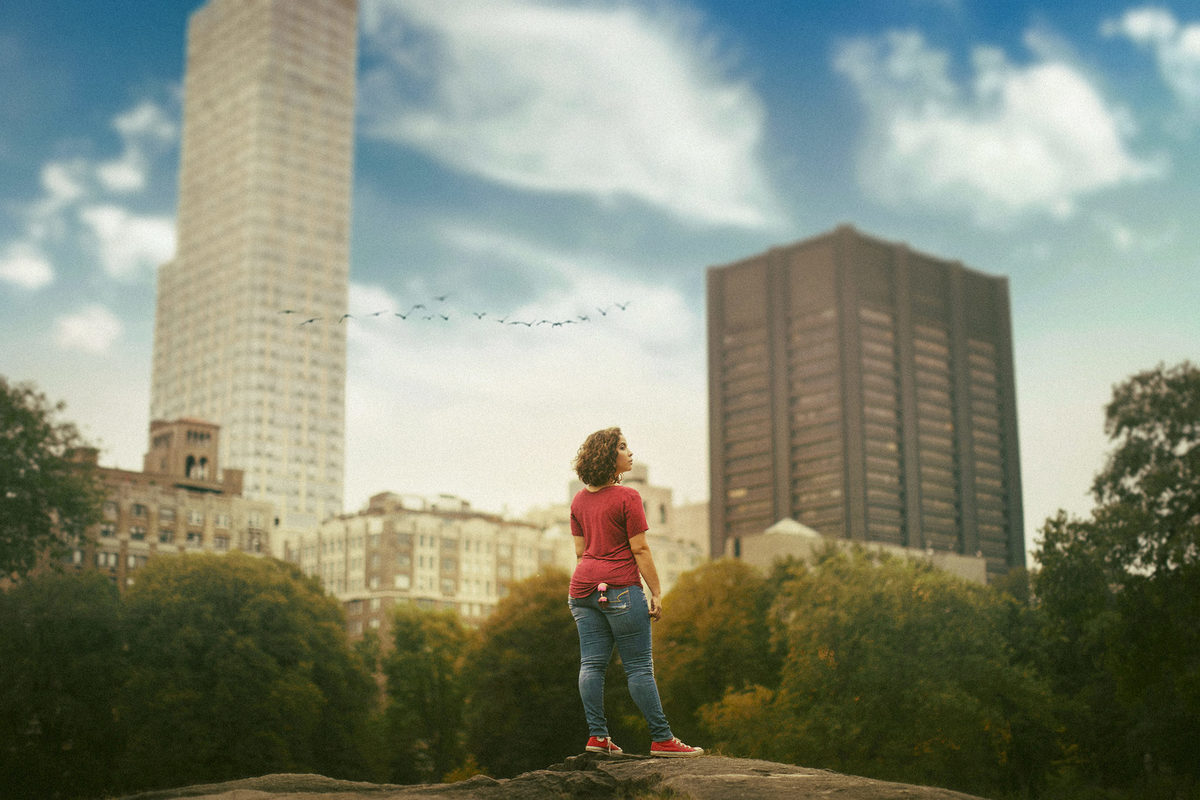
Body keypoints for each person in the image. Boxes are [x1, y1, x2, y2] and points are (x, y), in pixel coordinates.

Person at [567, 427, 703, 758]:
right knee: (639, 667)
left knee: (592, 664)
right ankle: (662, 739)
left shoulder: (579, 500)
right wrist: (656, 591)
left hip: (583, 590)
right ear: (608, 456)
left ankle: (597, 738)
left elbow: (580, 553)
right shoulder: (628, 497)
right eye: (624, 448)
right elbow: (640, 549)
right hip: (621, 590)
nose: (631, 453)